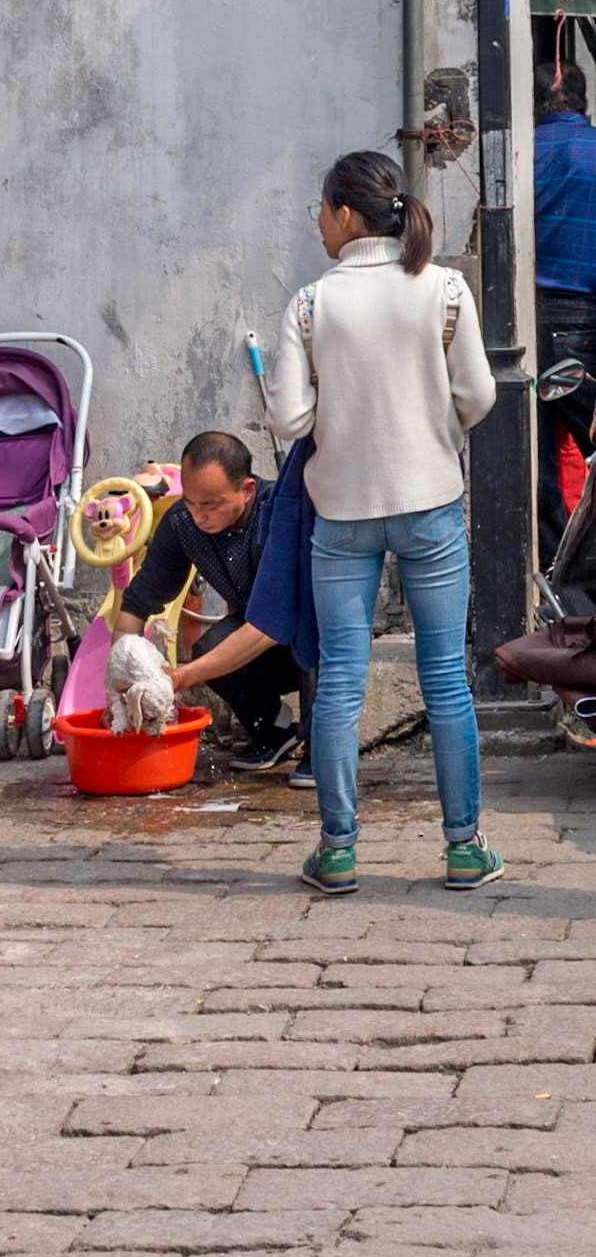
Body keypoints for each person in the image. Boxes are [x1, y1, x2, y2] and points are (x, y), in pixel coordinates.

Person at [266, 150, 498, 895]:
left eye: (320, 210)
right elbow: (480, 395)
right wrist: (435, 427)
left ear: (341, 212)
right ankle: (464, 847)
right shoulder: (446, 289)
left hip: (341, 513)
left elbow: (288, 416)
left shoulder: (308, 304)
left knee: (340, 681)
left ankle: (337, 851)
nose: (319, 224)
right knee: (445, 682)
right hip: (430, 502)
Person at [114, 431, 312, 782]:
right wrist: (117, 681)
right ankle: (275, 731)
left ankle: (320, 746)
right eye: (191, 502)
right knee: (207, 646)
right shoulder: (182, 523)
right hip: (252, 636)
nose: (199, 515)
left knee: (316, 640)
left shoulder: (278, 514)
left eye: (211, 505)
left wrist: (178, 678)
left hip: (304, 633)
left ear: (247, 489)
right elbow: (136, 603)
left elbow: (271, 625)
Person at [533, 60, 596, 565]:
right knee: (592, 449)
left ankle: (556, 575)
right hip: (585, 319)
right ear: (585, 103)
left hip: (524, 321)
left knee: (538, 465)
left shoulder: (516, 154)